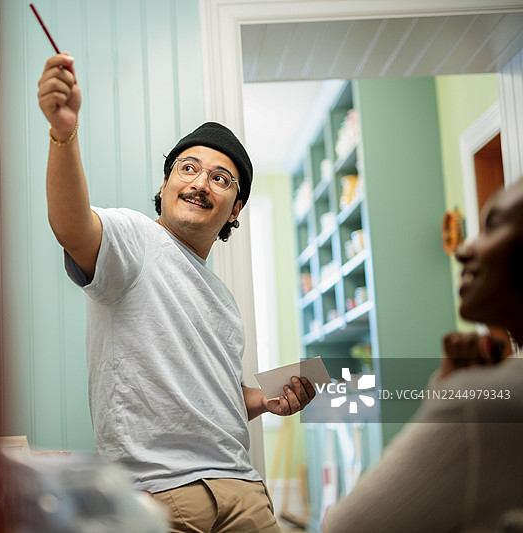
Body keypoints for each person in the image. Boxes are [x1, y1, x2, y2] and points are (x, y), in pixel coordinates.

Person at [37, 51, 316, 532]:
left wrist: (267, 398)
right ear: (165, 183)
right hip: (158, 494)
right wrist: (64, 134)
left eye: (220, 179)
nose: (200, 182)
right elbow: (73, 227)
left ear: (235, 209)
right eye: (188, 168)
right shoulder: (134, 239)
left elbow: (214, 398)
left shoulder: (225, 302)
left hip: (244, 492)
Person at [322, 179, 523, 532]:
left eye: (493, 226)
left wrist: (448, 392)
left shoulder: (486, 401)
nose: (463, 250)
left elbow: (345, 526)